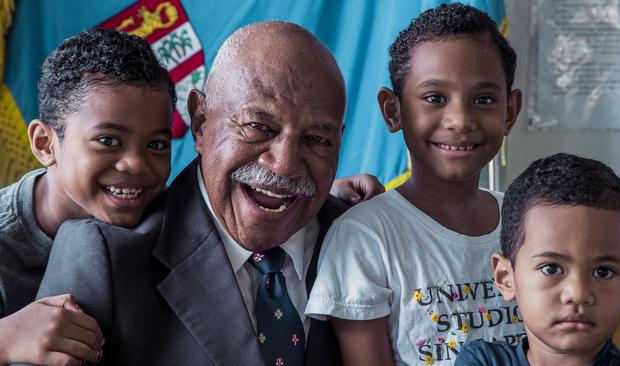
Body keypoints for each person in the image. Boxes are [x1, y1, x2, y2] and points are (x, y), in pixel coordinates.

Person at [1, 25, 378, 366]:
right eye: (257, 126)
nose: (284, 166)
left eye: (317, 139)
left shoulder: (365, 234)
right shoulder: (99, 253)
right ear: (201, 123)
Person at [305, 3, 524, 365]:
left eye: (484, 100)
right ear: (393, 111)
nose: (460, 120)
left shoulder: (527, 222)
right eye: (435, 98)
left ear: (510, 112)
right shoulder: (365, 237)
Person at [0, 27, 176, 366]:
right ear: (44, 144)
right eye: (108, 140)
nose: (136, 164)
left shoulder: (172, 219)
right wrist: (5, 339)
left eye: (156, 145)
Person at [455, 153, 620, 366]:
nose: (578, 294)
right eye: (551, 268)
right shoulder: (483, 361)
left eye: (603, 271)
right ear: (506, 278)